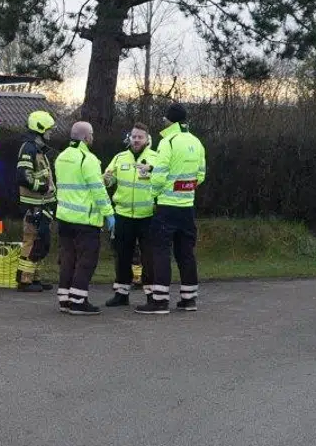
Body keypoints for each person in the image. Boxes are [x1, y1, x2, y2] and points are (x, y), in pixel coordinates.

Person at [137, 103, 207, 314]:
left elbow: (160, 174)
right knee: (186, 253)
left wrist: (154, 193)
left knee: (160, 252)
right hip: (187, 206)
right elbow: (200, 175)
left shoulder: (169, 141)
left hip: (167, 207)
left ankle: (159, 300)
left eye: (165, 118)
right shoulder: (196, 141)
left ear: (170, 120)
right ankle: (189, 298)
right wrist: (185, 189)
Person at [53, 121, 113, 315]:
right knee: (86, 260)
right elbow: (97, 190)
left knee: (68, 259)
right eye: (92, 135)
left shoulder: (61, 157)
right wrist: (109, 214)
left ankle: (65, 300)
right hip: (85, 221)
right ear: (86, 137)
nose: (93, 138)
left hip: (64, 218)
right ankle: (78, 300)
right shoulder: (88, 159)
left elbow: (71, 185)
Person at [102, 123, 159, 307]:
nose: (136, 140)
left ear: (147, 139)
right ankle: (121, 294)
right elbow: (109, 179)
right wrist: (107, 179)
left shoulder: (155, 158)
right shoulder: (119, 158)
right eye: (133, 137)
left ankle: (151, 295)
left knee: (149, 257)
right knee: (122, 255)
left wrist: (152, 170)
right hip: (123, 215)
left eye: (139, 137)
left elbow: (164, 179)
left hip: (147, 216)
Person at [15, 110, 57, 292]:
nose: (51, 132)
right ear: (40, 128)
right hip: (33, 205)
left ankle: (34, 278)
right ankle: (24, 281)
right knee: (31, 241)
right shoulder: (28, 148)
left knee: (40, 242)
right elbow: (23, 177)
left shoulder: (39, 149)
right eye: (49, 129)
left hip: (42, 204)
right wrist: (43, 187)